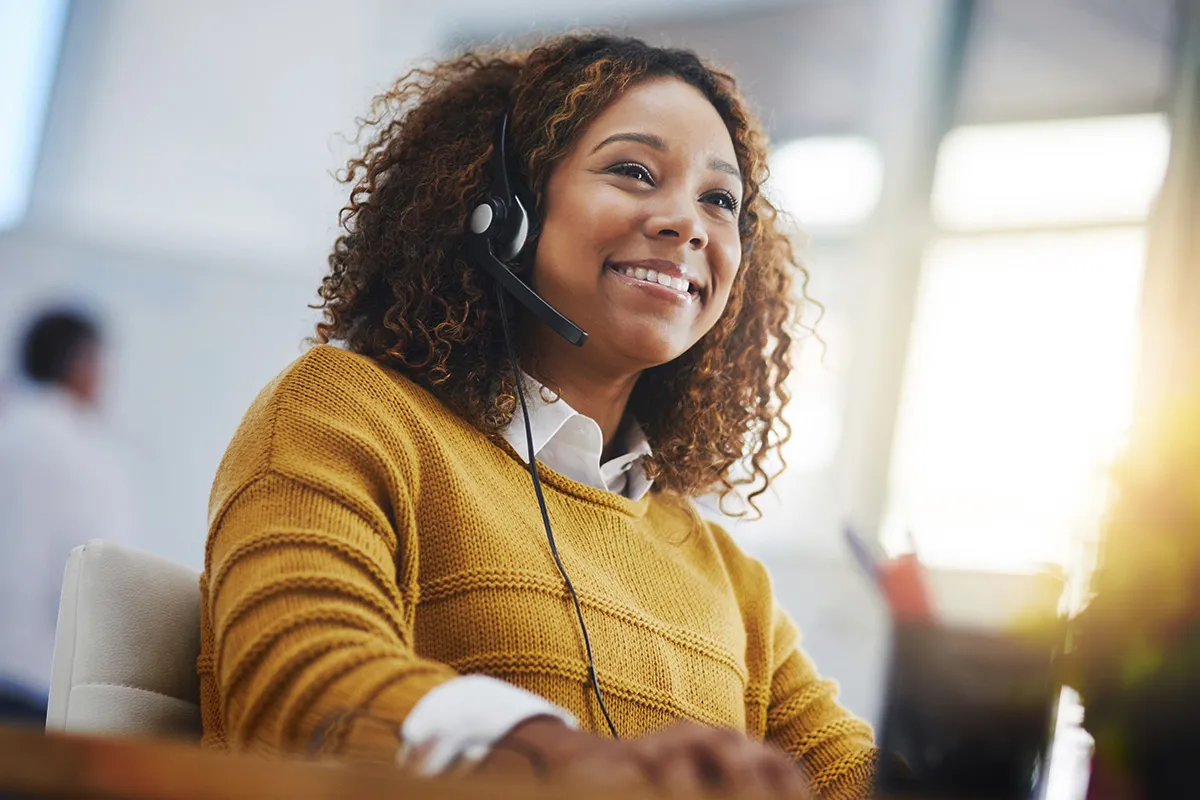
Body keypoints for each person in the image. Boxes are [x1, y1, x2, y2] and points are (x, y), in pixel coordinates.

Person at [199, 35, 876, 798]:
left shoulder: (724, 574)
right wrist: (562, 761)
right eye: (633, 171)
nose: (686, 223)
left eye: (719, 200)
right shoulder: (348, 413)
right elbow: (296, 684)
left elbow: (849, 776)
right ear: (503, 209)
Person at [0, 309, 135, 720]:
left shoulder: (8, 428)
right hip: (32, 685)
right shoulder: (86, 453)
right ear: (81, 364)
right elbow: (102, 586)